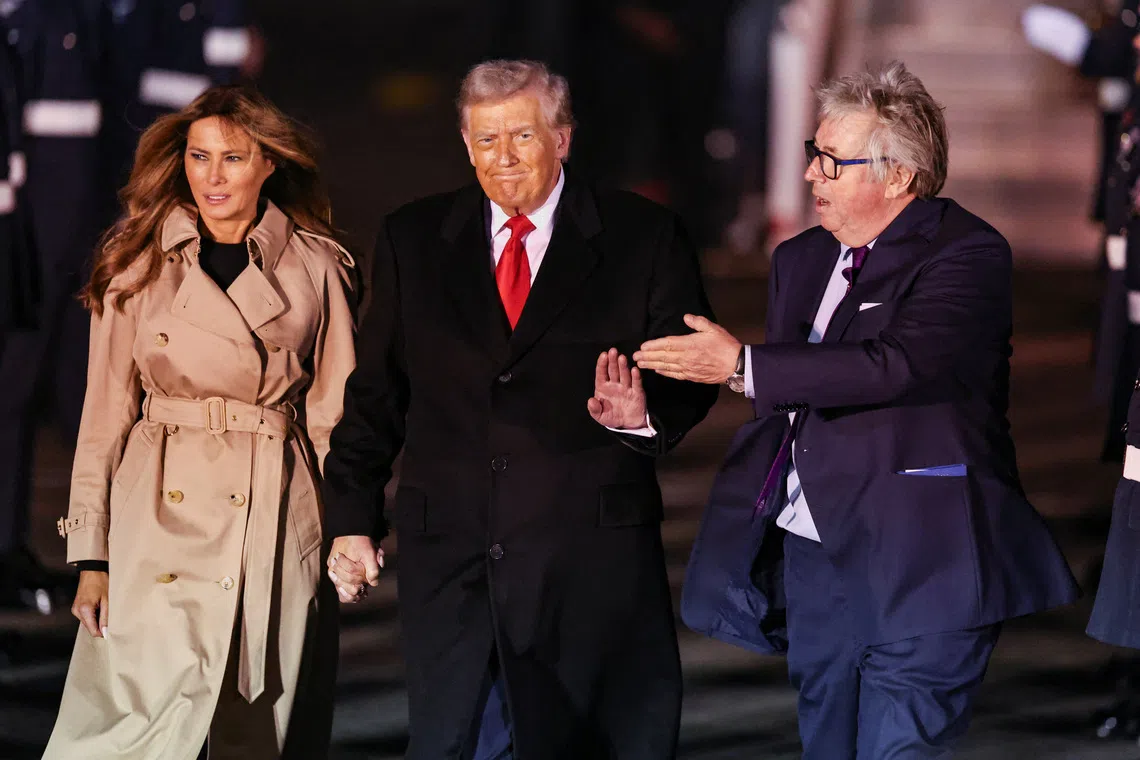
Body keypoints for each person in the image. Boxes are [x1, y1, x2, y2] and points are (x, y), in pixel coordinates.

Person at [639, 62, 1080, 758]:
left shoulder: (966, 255)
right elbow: (793, 404)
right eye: (812, 155)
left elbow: (896, 363)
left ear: (899, 176)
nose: (811, 175)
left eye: (831, 162)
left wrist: (746, 367)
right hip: (819, 563)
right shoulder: (800, 260)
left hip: (924, 561)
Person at [320, 59, 718, 758]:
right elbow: (377, 392)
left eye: (522, 138)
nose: (502, 160)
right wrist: (352, 520)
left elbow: (692, 371)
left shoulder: (642, 235)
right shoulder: (412, 239)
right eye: (484, 141)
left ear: (561, 139)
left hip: (587, 562)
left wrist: (640, 414)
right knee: (456, 743)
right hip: (453, 559)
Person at [43, 85, 353, 759]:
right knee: (133, 730)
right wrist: (91, 556)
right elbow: (103, 416)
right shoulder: (138, 261)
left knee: (255, 732)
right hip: (155, 513)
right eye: (197, 156)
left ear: (269, 163)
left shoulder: (316, 266)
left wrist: (350, 529)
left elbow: (334, 415)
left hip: (269, 509)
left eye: (233, 158)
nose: (211, 176)